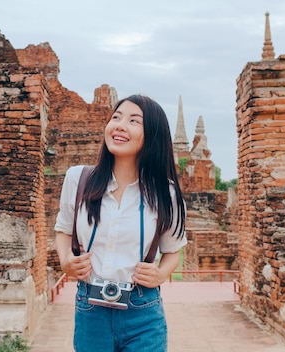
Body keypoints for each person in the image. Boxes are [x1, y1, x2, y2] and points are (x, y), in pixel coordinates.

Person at [54, 94, 187, 351]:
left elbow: (172, 252)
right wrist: (65, 261)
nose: (120, 125)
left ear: (152, 136)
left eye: (134, 121)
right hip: (90, 306)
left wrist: (160, 273)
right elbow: (62, 230)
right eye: (116, 117)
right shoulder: (78, 179)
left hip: (142, 309)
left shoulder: (166, 194)